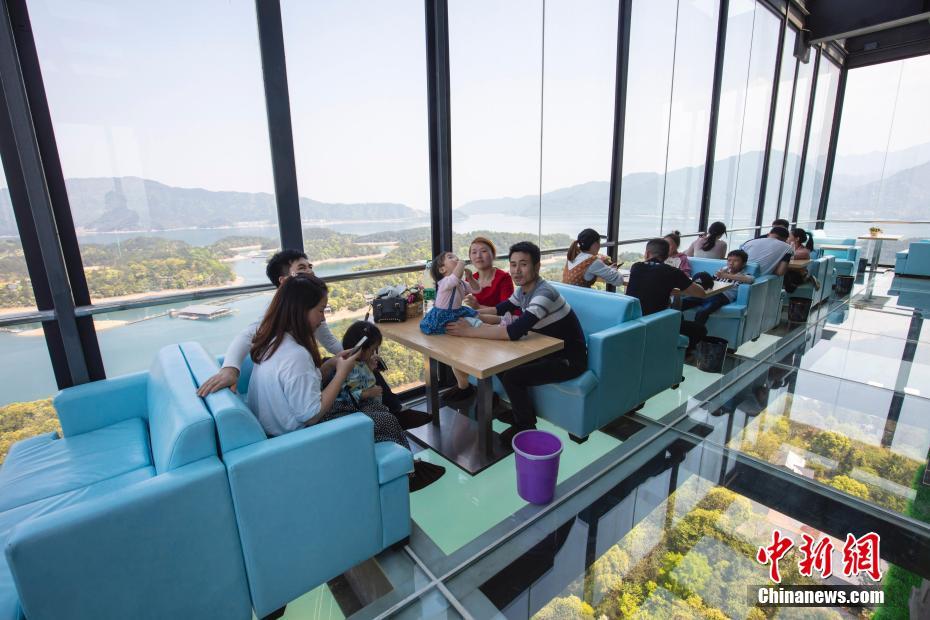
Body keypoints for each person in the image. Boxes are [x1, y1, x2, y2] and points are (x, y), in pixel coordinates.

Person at [246, 274, 444, 491]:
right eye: (320, 311)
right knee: (386, 420)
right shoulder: (295, 355)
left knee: (374, 408)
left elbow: (300, 387)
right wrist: (341, 372)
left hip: (283, 426)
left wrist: (331, 365)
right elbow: (311, 415)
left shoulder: (274, 341)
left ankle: (405, 459)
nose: (322, 319)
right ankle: (408, 473)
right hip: (300, 437)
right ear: (299, 310)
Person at [197, 249, 430, 429]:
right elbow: (246, 336)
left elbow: (328, 341)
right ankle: (394, 422)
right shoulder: (286, 324)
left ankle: (395, 409)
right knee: (378, 414)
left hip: (287, 406)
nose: (309, 271)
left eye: (310, 266)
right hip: (299, 426)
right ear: (285, 281)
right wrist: (230, 368)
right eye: (302, 268)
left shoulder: (290, 324)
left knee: (362, 361)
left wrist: (348, 358)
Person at [446, 241, 587, 441]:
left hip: (568, 360)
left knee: (513, 376)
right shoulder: (522, 291)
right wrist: (466, 313)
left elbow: (513, 332)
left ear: (537, 267)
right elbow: (498, 309)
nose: (517, 271)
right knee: (502, 366)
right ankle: (522, 415)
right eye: (513, 264)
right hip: (545, 351)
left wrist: (468, 331)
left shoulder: (544, 293)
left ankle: (526, 427)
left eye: (523, 264)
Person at [420, 251, 484, 404]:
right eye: (450, 258)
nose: (455, 258)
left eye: (455, 256)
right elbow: (455, 277)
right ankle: (464, 386)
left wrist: (469, 277)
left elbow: (476, 289)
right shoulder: (445, 282)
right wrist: (461, 263)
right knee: (457, 348)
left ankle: (464, 386)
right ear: (442, 270)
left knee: (475, 321)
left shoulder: (460, 282)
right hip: (443, 318)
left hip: (455, 313)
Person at [625, 238, 710, 354]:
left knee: (679, 318)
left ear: (647, 253)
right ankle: (681, 355)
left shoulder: (636, 267)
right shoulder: (672, 272)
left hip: (631, 320)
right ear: (667, 256)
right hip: (656, 323)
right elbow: (701, 294)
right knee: (700, 330)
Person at [680, 249, 754, 325]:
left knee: (702, 312)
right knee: (678, 306)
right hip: (707, 293)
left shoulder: (745, 274)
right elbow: (711, 282)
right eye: (729, 260)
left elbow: (749, 280)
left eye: (736, 261)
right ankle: (680, 329)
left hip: (722, 297)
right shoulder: (722, 271)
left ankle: (696, 334)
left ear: (743, 264)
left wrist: (725, 275)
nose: (731, 263)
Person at [463, 236, 515, 308]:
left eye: (483, 251)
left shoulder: (504, 277)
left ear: (493, 255)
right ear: (470, 258)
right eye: (474, 252)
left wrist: (478, 306)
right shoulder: (471, 278)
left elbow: (507, 311)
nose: (478, 256)